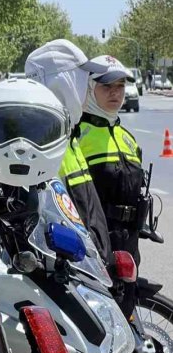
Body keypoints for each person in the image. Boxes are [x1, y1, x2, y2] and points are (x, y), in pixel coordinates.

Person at [25, 39, 112, 264]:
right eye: (83, 80)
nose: (87, 91)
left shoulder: (68, 134)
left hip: (91, 269)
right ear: (64, 83)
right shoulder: (38, 142)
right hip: (66, 273)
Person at [78, 55, 146, 315]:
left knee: (126, 309)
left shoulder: (126, 137)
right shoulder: (77, 134)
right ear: (88, 88)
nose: (115, 93)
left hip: (128, 242)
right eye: (107, 87)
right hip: (95, 241)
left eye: (120, 86)